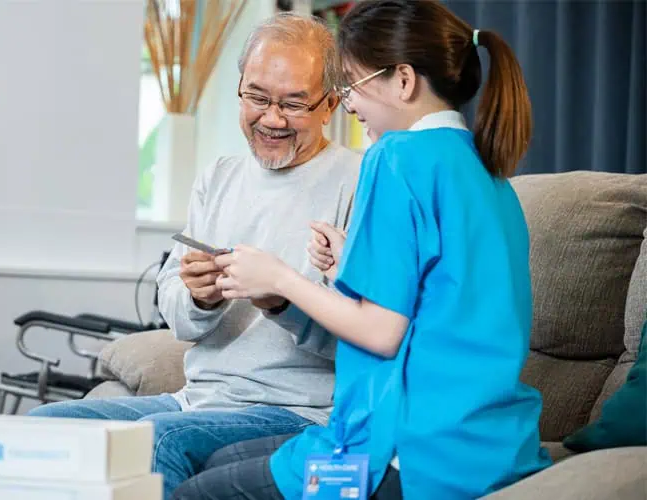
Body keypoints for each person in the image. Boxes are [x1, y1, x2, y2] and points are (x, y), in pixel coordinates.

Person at [170, 0, 553, 499]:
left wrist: (280, 279)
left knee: (194, 493)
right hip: (489, 449)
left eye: (351, 85)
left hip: (402, 456)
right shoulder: (488, 173)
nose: (347, 105)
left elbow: (381, 333)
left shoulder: (395, 156)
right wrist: (353, 260)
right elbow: (443, 298)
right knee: (221, 459)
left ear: (403, 81)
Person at [27, 13, 362, 498]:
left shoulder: (359, 183)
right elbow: (178, 315)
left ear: (330, 104)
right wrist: (199, 299)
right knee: (42, 426)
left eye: (293, 104)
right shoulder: (219, 178)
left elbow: (368, 331)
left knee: (161, 442)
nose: (271, 118)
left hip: (299, 410)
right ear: (240, 89)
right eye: (257, 98)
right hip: (198, 400)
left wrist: (283, 303)